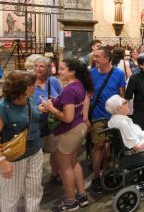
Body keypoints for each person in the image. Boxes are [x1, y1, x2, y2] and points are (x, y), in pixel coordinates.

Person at [39, 59, 92, 210]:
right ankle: (81, 196)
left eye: (62, 69)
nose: (59, 72)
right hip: (79, 127)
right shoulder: (79, 84)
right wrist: (56, 102)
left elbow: (67, 117)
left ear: (72, 71)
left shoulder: (69, 89)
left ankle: (70, 201)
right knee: (74, 163)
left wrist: (51, 108)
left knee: (65, 168)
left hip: (69, 131)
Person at [0, 71, 42, 212]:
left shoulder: (29, 99)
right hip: (14, 158)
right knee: (11, 197)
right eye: (31, 85)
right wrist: (2, 162)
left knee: (34, 191)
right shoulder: (3, 108)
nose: (35, 86)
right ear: (20, 88)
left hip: (35, 152)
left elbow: (31, 117)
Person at [89, 47, 126, 193]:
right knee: (98, 146)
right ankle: (95, 177)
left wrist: (123, 115)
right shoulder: (91, 74)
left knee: (113, 146)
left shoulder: (118, 73)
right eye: (95, 56)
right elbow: (88, 95)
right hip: (98, 116)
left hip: (114, 116)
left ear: (107, 58)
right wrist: (86, 118)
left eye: (98, 57)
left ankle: (110, 173)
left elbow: (121, 95)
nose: (95, 59)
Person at [31, 56, 63, 184]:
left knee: (54, 151)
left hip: (52, 123)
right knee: (36, 155)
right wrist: (37, 108)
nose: (38, 69)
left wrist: (53, 105)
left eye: (42, 66)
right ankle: (36, 182)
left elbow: (61, 98)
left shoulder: (53, 81)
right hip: (35, 124)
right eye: (36, 66)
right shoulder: (29, 82)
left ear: (48, 69)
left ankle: (55, 175)